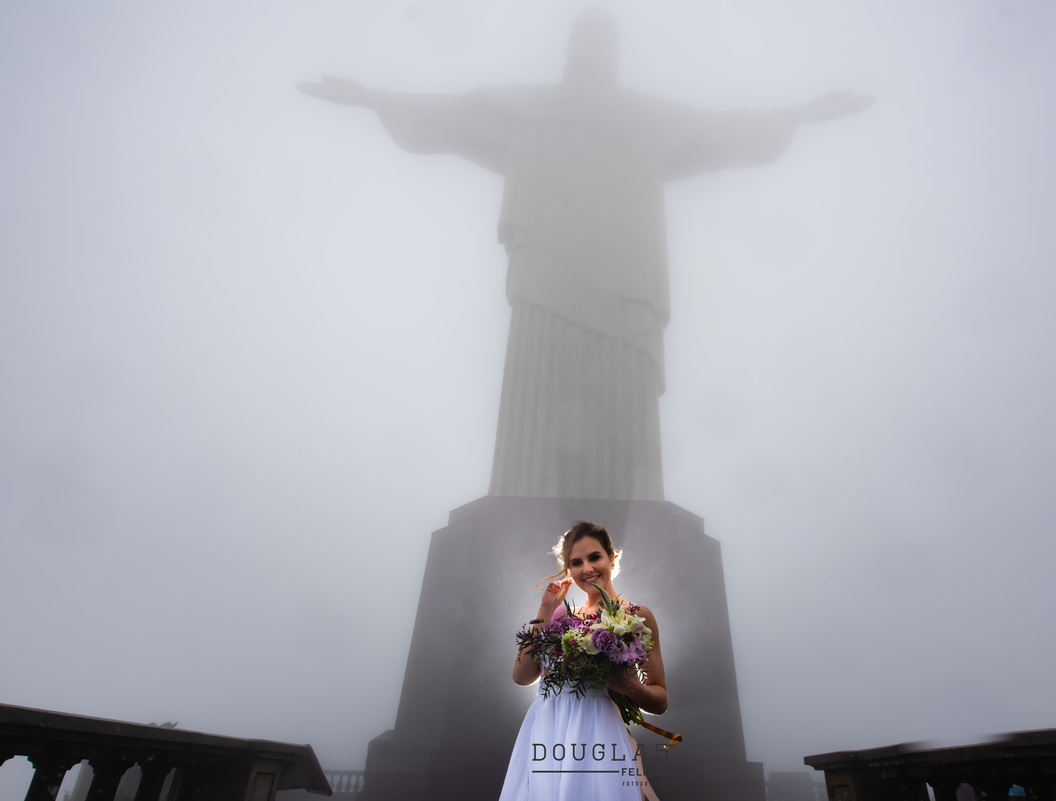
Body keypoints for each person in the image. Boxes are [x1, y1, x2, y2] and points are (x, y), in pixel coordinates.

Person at [298, 9, 874, 503]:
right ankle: (527, 490)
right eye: (585, 36)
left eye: (604, 39)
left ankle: (628, 504)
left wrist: (797, 114)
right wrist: (370, 97)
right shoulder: (530, 105)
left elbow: (720, 129)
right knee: (540, 376)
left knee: (622, 387)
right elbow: (452, 112)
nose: (594, 47)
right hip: (549, 266)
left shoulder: (644, 114)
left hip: (626, 275)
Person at [502, 521, 667, 801]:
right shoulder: (560, 618)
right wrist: (544, 609)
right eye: (576, 562)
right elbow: (522, 676)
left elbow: (660, 701)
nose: (587, 569)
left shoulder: (636, 615)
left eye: (594, 557)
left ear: (612, 558)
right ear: (568, 570)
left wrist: (629, 687)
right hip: (546, 729)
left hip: (596, 730)